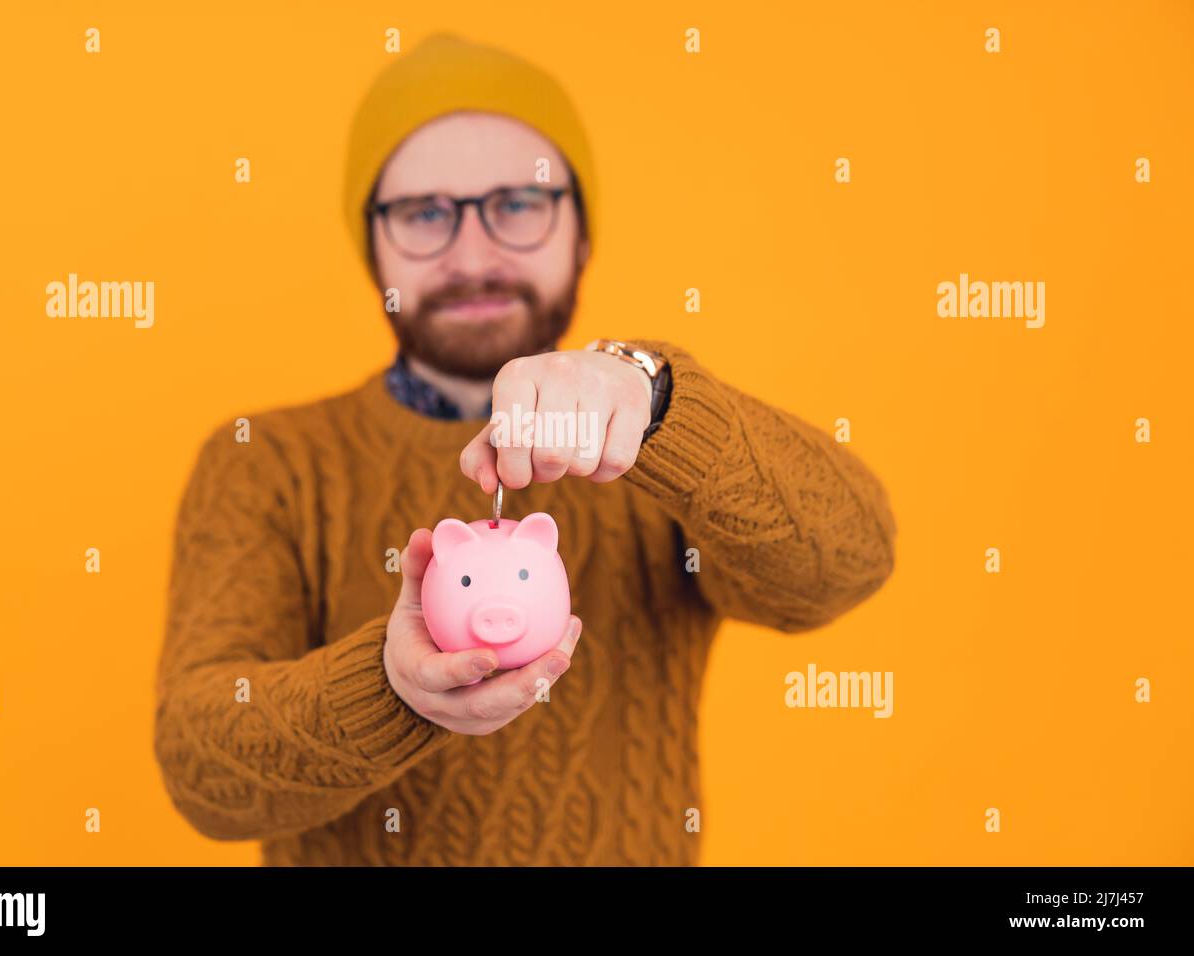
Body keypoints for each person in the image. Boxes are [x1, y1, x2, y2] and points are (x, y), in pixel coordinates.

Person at [153, 32, 897, 866]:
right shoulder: (267, 461)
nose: (474, 256)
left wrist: (658, 405)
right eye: (425, 213)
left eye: (518, 202)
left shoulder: (663, 452)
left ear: (582, 231)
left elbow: (848, 558)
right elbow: (200, 768)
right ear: (374, 246)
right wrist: (392, 690)